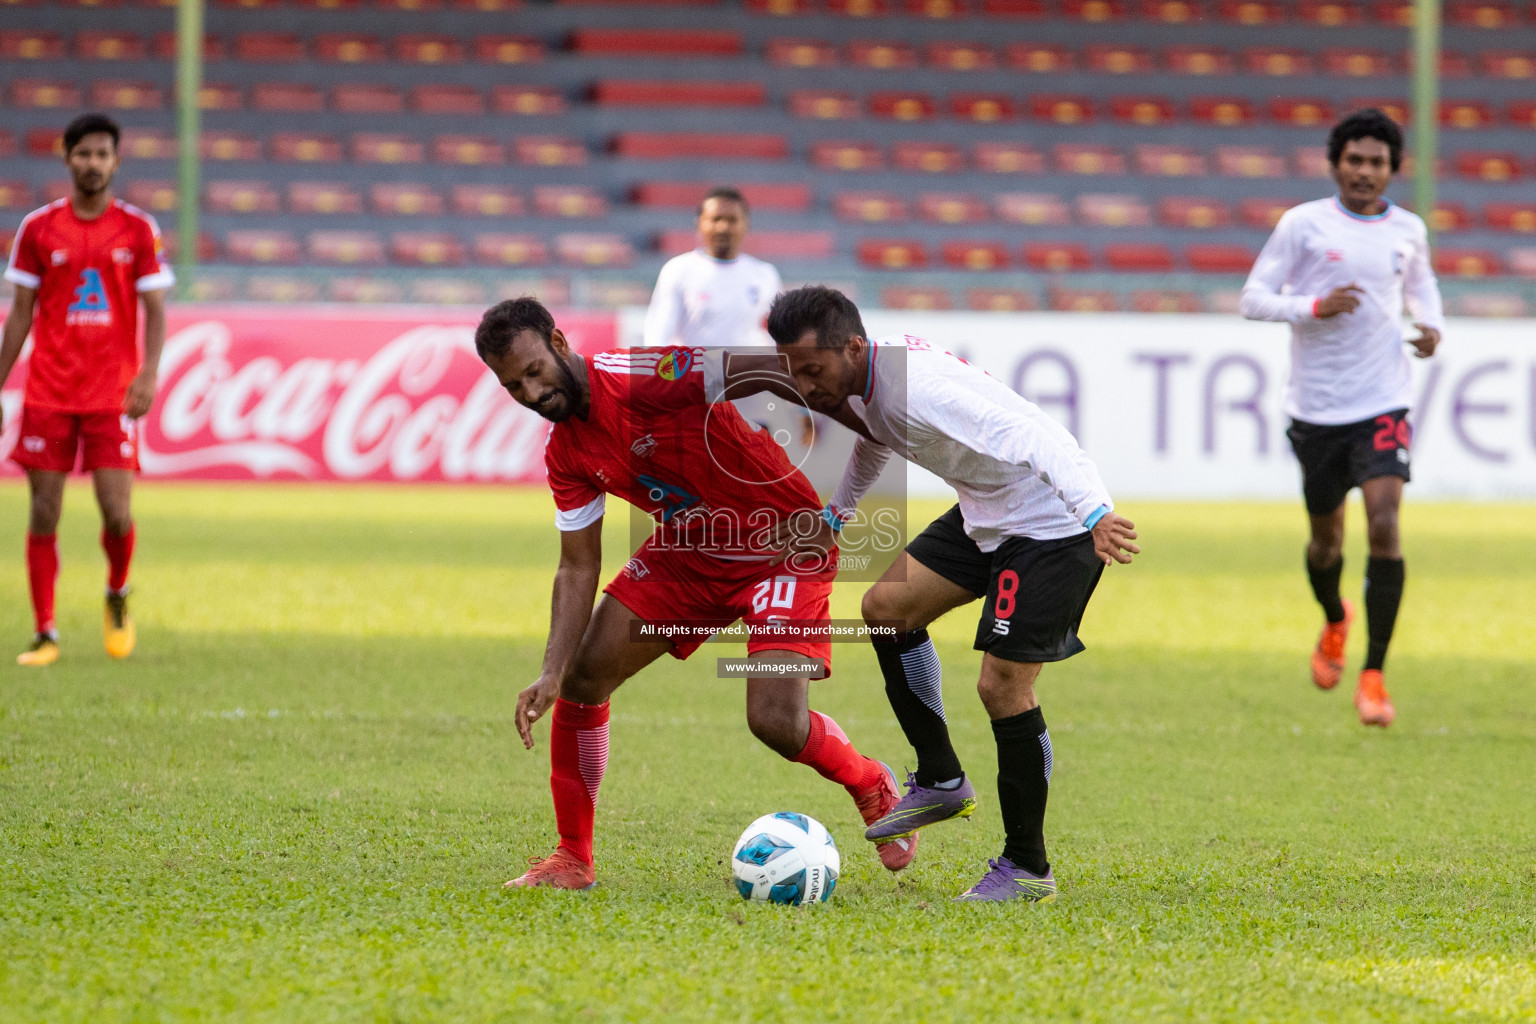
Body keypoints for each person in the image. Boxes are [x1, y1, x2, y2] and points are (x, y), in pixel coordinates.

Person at [474, 297, 915, 891]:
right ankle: (572, 858)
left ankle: (869, 780)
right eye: (512, 386)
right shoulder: (565, 453)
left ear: (558, 344)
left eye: (533, 372)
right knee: (583, 679)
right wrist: (549, 672)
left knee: (775, 723)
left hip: (784, 543)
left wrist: (871, 425)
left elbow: (765, 371)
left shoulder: (644, 375)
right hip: (688, 556)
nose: (530, 393)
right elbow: (578, 566)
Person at [765, 286, 1139, 903]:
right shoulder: (869, 382)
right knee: (885, 610)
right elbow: (874, 437)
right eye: (795, 374)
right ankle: (940, 779)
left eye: (814, 371)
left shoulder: (920, 389)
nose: (807, 387)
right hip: (985, 514)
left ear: (853, 347)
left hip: (1050, 527)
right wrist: (836, 516)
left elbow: (1038, 437)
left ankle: (1027, 867)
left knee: (1002, 687)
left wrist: (1094, 511)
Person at [1240, 108, 1443, 729]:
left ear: (1392, 170)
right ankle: (1335, 619)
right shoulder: (1303, 225)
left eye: (1377, 162)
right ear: (1336, 164)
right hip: (1316, 411)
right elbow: (1253, 299)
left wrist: (1432, 328)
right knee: (1327, 542)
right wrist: (1313, 305)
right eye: (1354, 160)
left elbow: (1423, 288)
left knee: (1384, 524)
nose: (1364, 171)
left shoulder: (1408, 229)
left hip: (1383, 399)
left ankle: (1374, 675)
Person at [0, 112, 173, 666]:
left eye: (102, 154)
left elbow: (156, 310)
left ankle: (117, 594)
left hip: (112, 396)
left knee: (116, 512)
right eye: (83, 154)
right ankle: (45, 632)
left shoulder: (138, 229)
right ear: (67, 158)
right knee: (43, 512)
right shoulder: (38, 229)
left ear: (116, 162)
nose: (93, 163)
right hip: (50, 392)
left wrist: (148, 374)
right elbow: (20, 314)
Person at [642, 186, 813, 448]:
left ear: (746, 225)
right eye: (715, 219)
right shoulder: (678, 271)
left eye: (732, 220)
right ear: (700, 223)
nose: (723, 227)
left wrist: (798, 405)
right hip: (697, 401)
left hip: (752, 402)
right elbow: (656, 338)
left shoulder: (765, 275)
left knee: (752, 484)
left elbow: (778, 344)